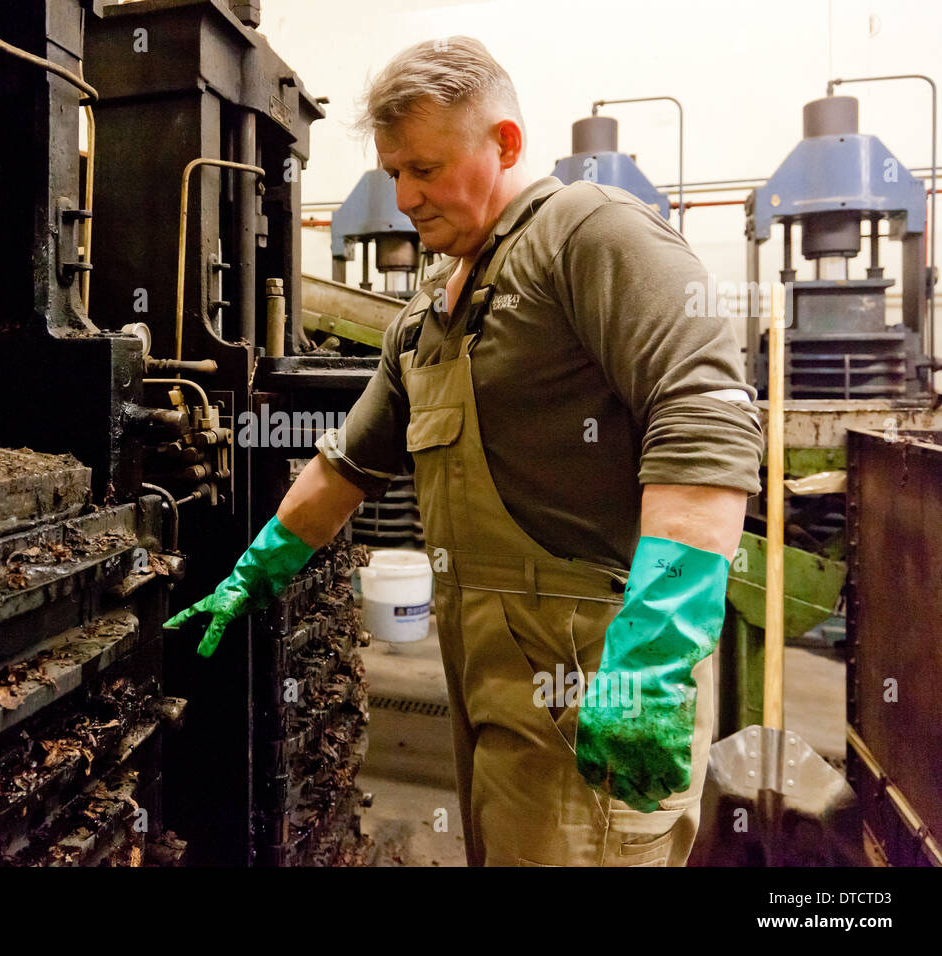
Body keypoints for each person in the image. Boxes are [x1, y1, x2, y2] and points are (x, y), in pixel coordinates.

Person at [166, 36, 762, 867]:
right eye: (394, 173)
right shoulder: (427, 315)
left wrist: (654, 655)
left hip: (595, 684)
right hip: (486, 682)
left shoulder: (590, 238)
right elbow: (348, 463)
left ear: (505, 144)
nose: (405, 196)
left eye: (426, 169)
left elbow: (704, 416)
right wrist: (254, 569)